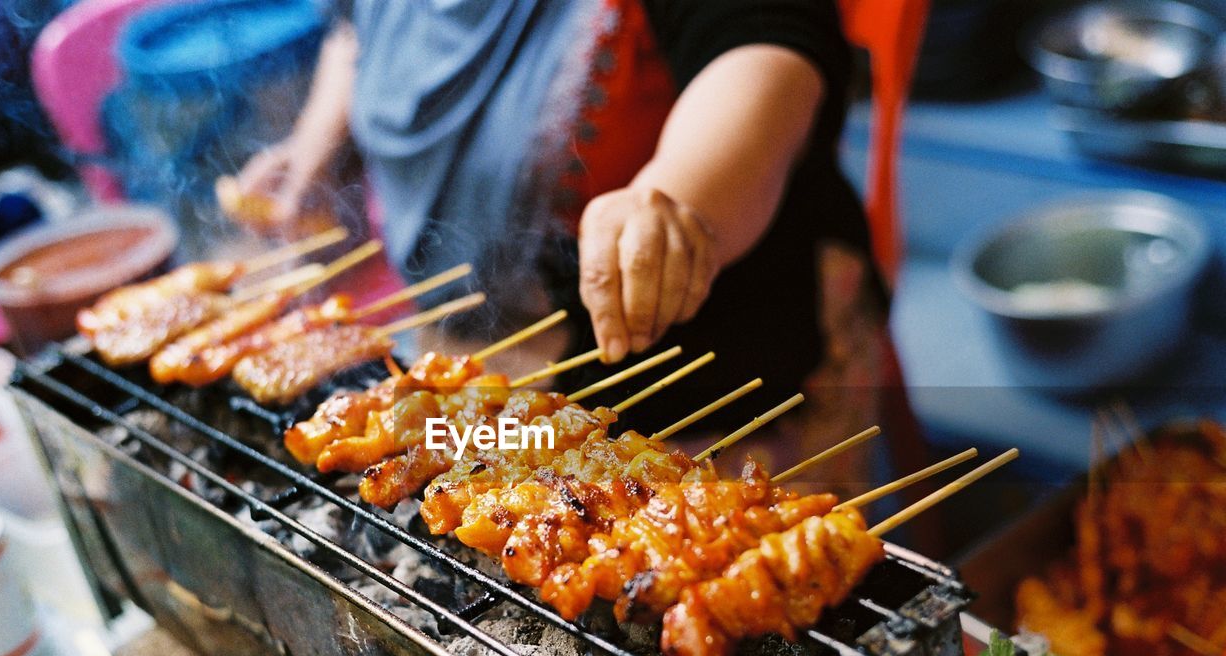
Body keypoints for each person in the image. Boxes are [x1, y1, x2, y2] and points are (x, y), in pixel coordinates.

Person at [235, 0, 886, 461]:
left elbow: (763, 45)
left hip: (700, 364)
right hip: (473, 340)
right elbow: (360, 27)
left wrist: (675, 198)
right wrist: (312, 152)